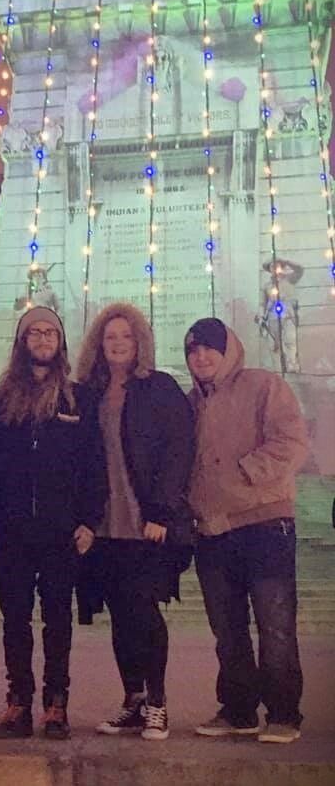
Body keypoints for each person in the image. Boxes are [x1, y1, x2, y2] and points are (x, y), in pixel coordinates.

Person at [184, 317, 308, 744]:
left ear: (228, 349)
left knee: (275, 626)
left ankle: (284, 713)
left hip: (264, 524)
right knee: (228, 631)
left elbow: (291, 440)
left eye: (209, 347)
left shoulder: (262, 385)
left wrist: (245, 473)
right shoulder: (190, 401)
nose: (201, 356)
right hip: (213, 531)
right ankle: (238, 710)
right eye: (193, 350)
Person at [0, 307, 105, 740]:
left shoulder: (78, 399)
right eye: (33, 332)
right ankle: (18, 702)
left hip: (61, 530)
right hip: (12, 531)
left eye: (49, 331)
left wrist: (90, 520)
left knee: (58, 620)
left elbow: (95, 465)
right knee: (14, 620)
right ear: (21, 343)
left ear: (60, 341)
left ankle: (57, 704)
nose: (41, 338)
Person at [76, 303, 195, 740]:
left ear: (139, 341)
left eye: (126, 336)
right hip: (104, 525)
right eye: (111, 337)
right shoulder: (88, 392)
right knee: (121, 616)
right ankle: (133, 701)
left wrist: (162, 510)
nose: (118, 344)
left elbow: (180, 449)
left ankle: (158, 702)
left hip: (147, 523)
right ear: (99, 344)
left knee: (144, 612)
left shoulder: (159, 387)